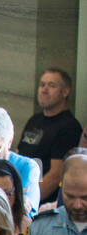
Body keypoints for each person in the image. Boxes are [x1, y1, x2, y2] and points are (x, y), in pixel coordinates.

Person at [17, 69, 82, 204]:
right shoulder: (34, 120)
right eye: (42, 85)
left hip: (41, 204)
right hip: (19, 191)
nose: (44, 90)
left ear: (65, 92)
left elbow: (55, 176)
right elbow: (17, 156)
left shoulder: (69, 127)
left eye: (51, 85)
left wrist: (28, 201)